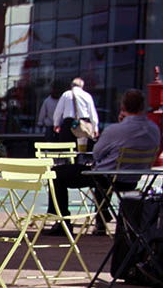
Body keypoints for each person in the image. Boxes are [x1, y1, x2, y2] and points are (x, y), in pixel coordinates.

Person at [48, 88, 161, 235]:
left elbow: (97, 153)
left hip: (107, 177)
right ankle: (101, 220)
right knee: (105, 173)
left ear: (123, 107)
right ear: (142, 107)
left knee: (56, 174)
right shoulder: (154, 130)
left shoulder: (115, 130)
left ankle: (62, 222)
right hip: (133, 179)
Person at [53, 77, 100, 149]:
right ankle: (80, 159)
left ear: (72, 85)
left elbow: (58, 111)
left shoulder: (66, 94)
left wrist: (56, 124)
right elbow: (92, 113)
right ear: (82, 86)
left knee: (68, 149)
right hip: (83, 124)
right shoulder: (87, 96)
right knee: (82, 148)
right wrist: (95, 128)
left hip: (68, 123)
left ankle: (70, 160)